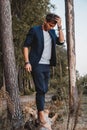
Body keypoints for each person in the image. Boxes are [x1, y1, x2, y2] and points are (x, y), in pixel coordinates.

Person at [23, 13, 64, 130]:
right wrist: (27, 62)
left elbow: (61, 41)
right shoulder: (35, 30)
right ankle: (41, 116)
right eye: (50, 25)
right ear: (45, 21)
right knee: (41, 89)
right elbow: (26, 46)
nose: (51, 27)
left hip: (47, 65)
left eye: (53, 26)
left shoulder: (52, 32)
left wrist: (59, 27)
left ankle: (40, 110)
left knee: (45, 89)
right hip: (36, 64)